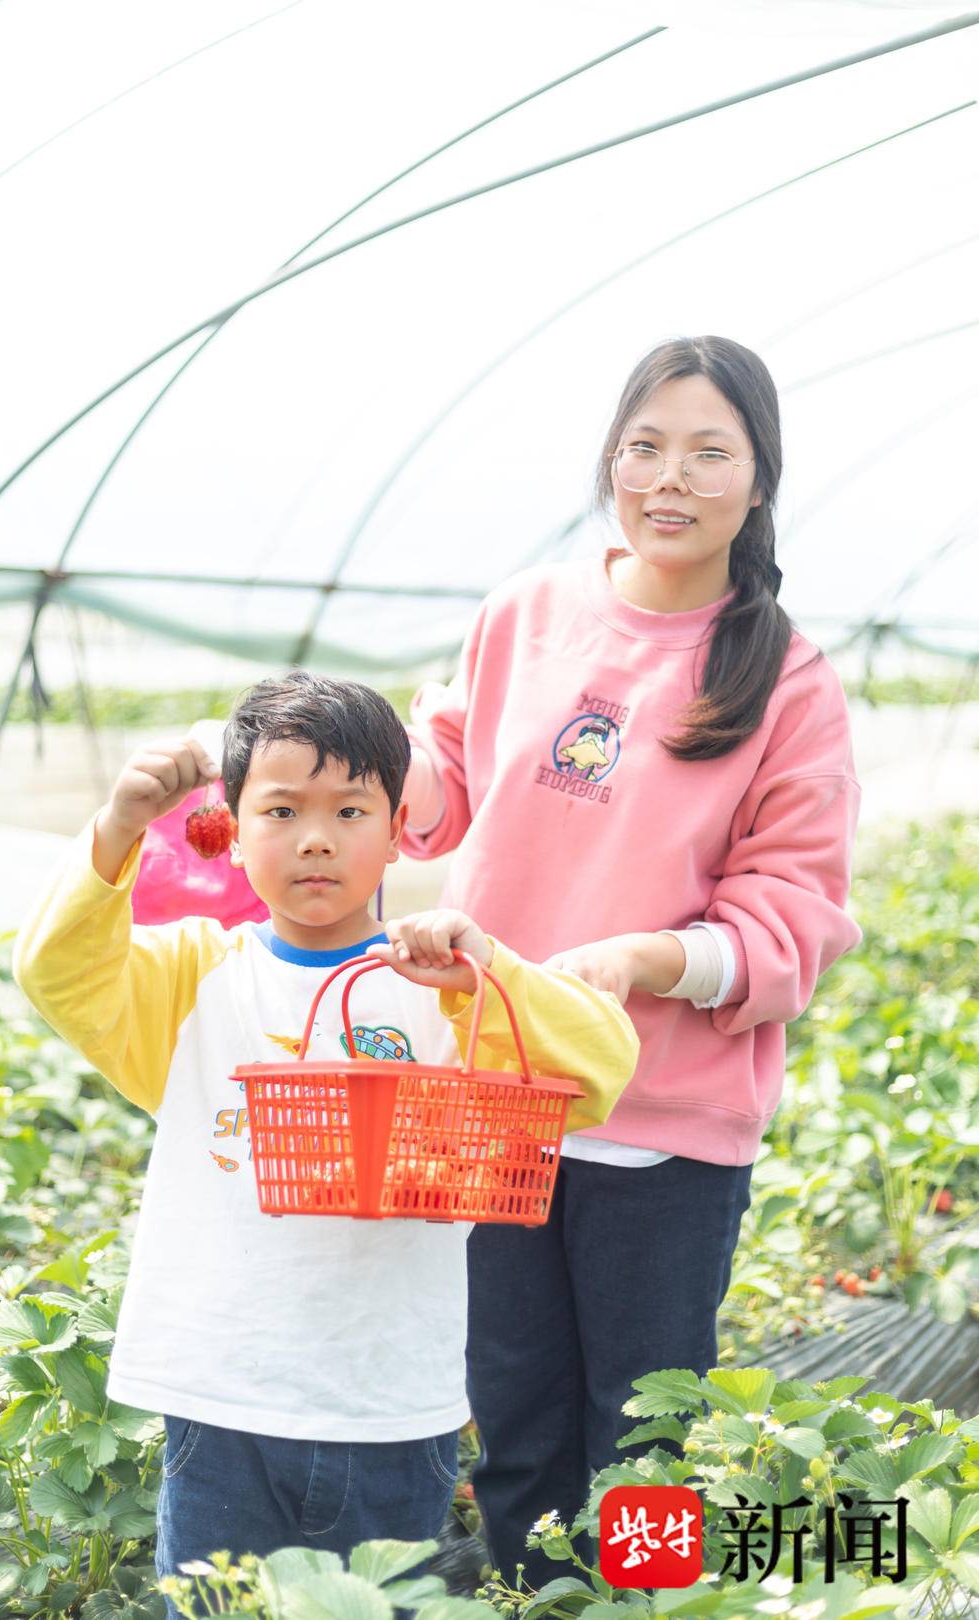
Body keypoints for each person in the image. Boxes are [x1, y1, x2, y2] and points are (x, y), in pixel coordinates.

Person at [12, 670, 639, 1609]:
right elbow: (58, 971)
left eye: (351, 809)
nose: (316, 837)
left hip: (391, 1408)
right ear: (232, 826)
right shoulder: (191, 980)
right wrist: (116, 830)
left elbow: (599, 1068)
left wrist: (490, 970)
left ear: (398, 831)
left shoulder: (443, 991)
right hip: (221, 1402)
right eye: (279, 810)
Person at [397, 336, 863, 1585]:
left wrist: (649, 960)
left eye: (711, 452)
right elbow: (438, 795)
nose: (672, 477)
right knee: (515, 1413)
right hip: (500, 1094)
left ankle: (646, 1611)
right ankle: (530, 1598)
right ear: (611, 460)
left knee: (646, 1438)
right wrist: (323, 770)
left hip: (664, 1124)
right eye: (645, 447)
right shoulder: (526, 615)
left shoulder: (788, 680)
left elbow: (793, 920)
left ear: (758, 482)